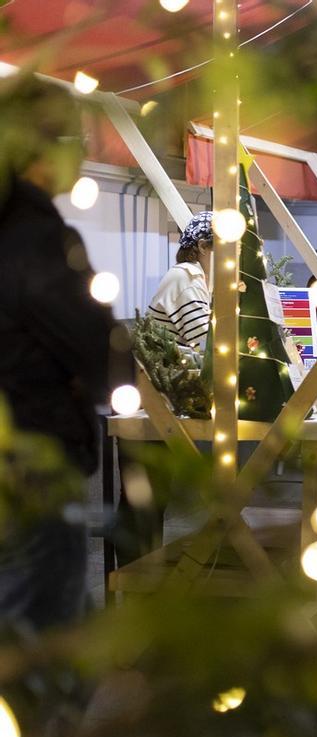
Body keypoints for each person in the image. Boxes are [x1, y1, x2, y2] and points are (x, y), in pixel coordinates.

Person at [0, 77, 130, 629]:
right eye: (76, 138)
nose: (84, 151)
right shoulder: (39, 238)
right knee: (46, 647)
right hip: (34, 461)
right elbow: (101, 349)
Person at [117, 211, 216, 567]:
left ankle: (142, 576)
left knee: (149, 498)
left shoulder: (195, 280)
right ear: (204, 247)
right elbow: (207, 345)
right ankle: (135, 580)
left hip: (157, 404)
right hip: (151, 406)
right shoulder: (187, 279)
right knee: (144, 498)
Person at [148, 213, 213, 351]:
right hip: (168, 368)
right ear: (202, 246)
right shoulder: (188, 278)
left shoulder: (188, 273)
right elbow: (206, 340)